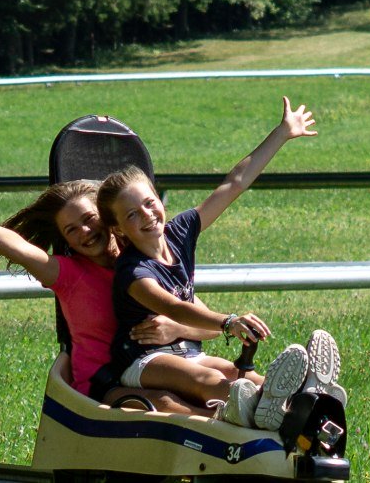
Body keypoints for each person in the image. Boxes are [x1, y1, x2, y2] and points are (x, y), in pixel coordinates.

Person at [100, 97, 344, 430]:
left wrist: (282, 133)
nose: (147, 215)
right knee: (206, 377)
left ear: (159, 198)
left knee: (236, 373)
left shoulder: (180, 231)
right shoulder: (134, 272)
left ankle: (305, 398)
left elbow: (234, 184)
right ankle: (262, 409)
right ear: (118, 229)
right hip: (142, 361)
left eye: (149, 202)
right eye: (132, 214)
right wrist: (228, 322)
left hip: (187, 350)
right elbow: (174, 308)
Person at [0, 170, 221, 415]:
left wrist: (174, 329)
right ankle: (223, 427)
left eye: (89, 218)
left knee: (219, 379)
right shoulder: (68, 274)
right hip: (105, 385)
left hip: (164, 366)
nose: (85, 231)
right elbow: (21, 250)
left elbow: (209, 326)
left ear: (110, 218)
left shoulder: (143, 262)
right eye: (72, 230)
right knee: (165, 404)